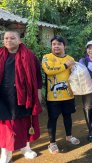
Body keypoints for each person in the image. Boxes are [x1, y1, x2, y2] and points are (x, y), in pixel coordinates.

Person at [0, 31, 42, 162]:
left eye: (12, 38)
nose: (8, 40)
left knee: (24, 123)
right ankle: (6, 153)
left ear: (19, 40)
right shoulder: (0, 55)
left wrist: (38, 95)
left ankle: (26, 148)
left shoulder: (29, 56)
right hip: (4, 98)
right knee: (6, 127)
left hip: (24, 97)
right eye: (6, 38)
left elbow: (38, 77)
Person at [42, 36, 80, 154]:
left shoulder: (70, 58)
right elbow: (49, 70)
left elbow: (75, 74)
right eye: (54, 44)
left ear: (64, 46)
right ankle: (52, 143)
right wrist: (65, 66)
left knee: (68, 117)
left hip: (68, 95)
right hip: (53, 97)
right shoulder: (47, 57)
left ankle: (69, 136)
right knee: (52, 119)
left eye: (59, 44)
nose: (56, 46)